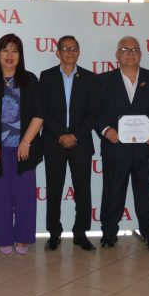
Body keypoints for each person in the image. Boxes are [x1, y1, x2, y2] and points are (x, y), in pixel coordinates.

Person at [96, 36, 149, 250]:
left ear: (141, 53)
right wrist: (106, 130)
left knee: (145, 195)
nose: (130, 53)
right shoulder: (102, 81)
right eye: (125, 49)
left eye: (135, 49)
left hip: (145, 149)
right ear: (117, 55)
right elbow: (94, 113)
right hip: (115, 148)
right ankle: (109, 233)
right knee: (112, 193)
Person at [0, 34, 44, 255]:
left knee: (25, 197)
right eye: (5, 50)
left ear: (20, 56)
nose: (10, 55)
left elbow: (39, 113)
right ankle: (4, 237)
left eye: (15, 51)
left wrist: (26, 141)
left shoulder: (30, 80)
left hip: (24, 148)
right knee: (0, 197)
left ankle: (23, 237)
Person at [39, 35, 98, 251]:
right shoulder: (46, 77)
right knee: (54, 190)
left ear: (79, 52)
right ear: (57, 52)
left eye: (74, 48)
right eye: (65, 48)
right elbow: (43, 110)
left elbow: (92, 113)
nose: (70, 52)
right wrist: (61, 135)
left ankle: (80, 233)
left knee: (83, 191)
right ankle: (54, 234)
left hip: (80, 143)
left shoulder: (90, 78)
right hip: (54, 142)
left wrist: (75, 135)